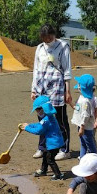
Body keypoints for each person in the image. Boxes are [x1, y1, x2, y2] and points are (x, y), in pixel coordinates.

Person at [31, 23, 72, 161]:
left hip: (57, 87)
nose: (47, 40)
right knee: (42, 118)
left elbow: (67, 70)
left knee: (59, 119)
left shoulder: (63, 46)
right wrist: (33, 89)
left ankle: (65, 149)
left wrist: (68, 90)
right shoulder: (40, 48)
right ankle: (43, 147)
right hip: (41, 86)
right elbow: (36, 69)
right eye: (45, 38)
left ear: (54, 34)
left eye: (50, 37)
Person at [19, 95, 64, 181]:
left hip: (54, 144)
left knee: (50, 159)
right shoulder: (48, 117)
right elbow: (39, 125)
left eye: (37, 110)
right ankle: (43, 170)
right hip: (53, 142)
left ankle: (58, 175)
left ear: (42, 109)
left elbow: (38, 131)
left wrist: (26, 128)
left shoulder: (46, 120)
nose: (37, 112)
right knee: (45, 155)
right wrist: (29, 125)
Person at [70, 74, 97, 158]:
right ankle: (82, 160)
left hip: (86, 127)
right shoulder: (82, 98)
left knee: (90, 145)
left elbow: (86, 115)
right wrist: (70, 103)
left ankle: (96, 161)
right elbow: (78, 109)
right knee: (83, 143)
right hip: (81, 125)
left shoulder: (86, 101)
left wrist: (82, 127)